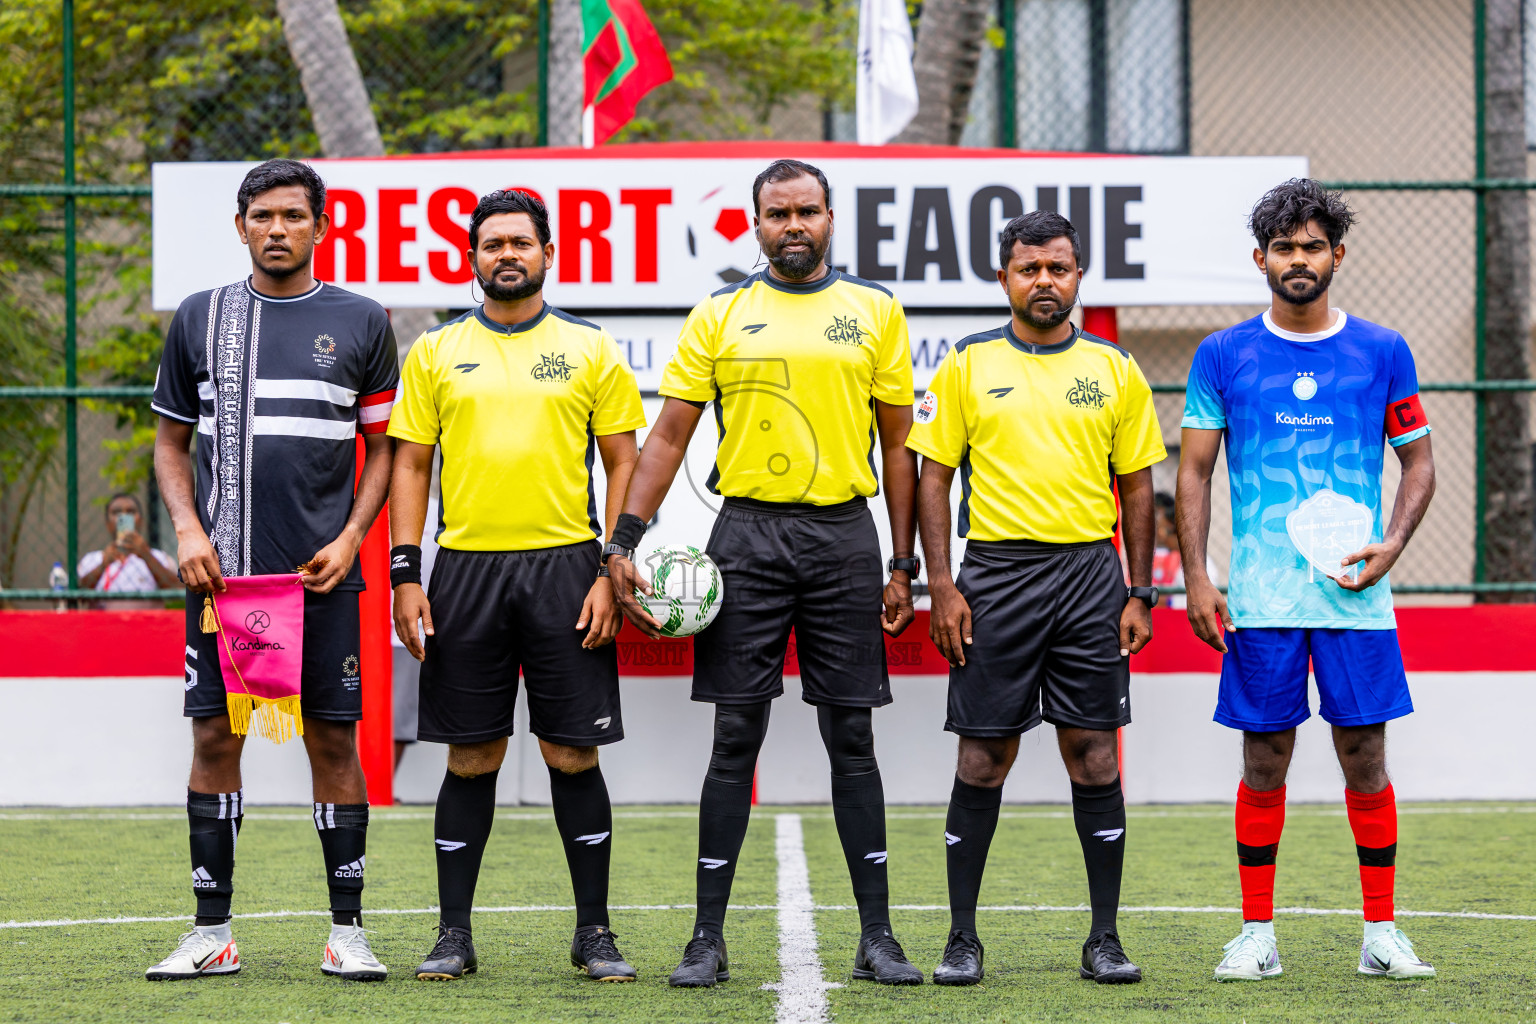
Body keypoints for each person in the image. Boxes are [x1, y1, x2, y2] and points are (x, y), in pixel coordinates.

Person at [607, 159, 923, 987]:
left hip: (844, 541)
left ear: (829, 218)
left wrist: (903, 561)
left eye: (807, 212)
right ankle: (706, 939)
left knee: (850, 734)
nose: (793, 225)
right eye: (777, 213)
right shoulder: (719, 314)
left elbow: (900, 447)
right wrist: (624, 540)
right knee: (734, 734)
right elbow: (668, 436)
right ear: (756, 224)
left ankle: (878, 936)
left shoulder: (876, 312)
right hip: (744, 536)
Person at [1176, 179, 1437, 981]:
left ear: (1337, 255)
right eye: (1284, 248)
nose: (1299, 260)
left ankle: (1382, 934)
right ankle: (1257, 935)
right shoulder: (1223, 354)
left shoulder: (1383, 350)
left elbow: (1420, 461)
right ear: (1261, 259)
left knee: (1366, 757)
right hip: (1259, 599)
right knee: (1265, 762)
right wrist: (1198, 576)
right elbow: (1193, 472)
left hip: (1357, 598)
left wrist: (1391, 545)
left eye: (1312, 246)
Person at [147, 158, 397, 981]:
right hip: (223, 581)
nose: (277, 228)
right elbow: (171, 442)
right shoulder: (200, 318)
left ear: (322, 227)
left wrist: (356, 533)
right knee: (216, 735)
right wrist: (187, 529)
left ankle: (348, 931)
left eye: (293, 215)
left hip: (317, 579)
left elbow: (386, 448)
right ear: (241, 226)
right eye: (262, 216)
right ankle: (210, 931)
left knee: (333, 738)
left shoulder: (362, 320)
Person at [388, 189, 646, 983]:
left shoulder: (590, 348)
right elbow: (410, 464)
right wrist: (406, 572)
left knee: (572, 753)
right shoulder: (435, 351)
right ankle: (453, 934)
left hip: (568, 570)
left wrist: (612, 564)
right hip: (464, 571)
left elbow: (624, 462)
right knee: (472, 755)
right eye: (493, 242)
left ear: (547, 255)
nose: (507, 254)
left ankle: (594, 932)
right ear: (472, 257)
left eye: (521, 243)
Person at [907, 210, 1166, 986]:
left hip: (1090, 577)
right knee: (984, 755)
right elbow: (933, 476)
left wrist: (1139, 590)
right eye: (1029, 268)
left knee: (1092, 754)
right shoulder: (967, 363)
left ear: (1079, 276)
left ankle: (1105, 939)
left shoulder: (1115, 369)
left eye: (1058, 267)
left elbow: (1139, 483)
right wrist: (942, 583)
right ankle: (961, 939)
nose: (1044, 281)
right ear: (1004, 278)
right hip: (994, 577)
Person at [77, 492, 179, 609]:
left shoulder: (159, 557)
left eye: (131, 512)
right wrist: (104, 564)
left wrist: (146, 555)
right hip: (104, 626)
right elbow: (78, 594)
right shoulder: (92, 560)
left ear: (140, 520)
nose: (124, 517)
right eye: (116, 512)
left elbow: (178, 591)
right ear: (107, 523)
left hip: (147, 626)